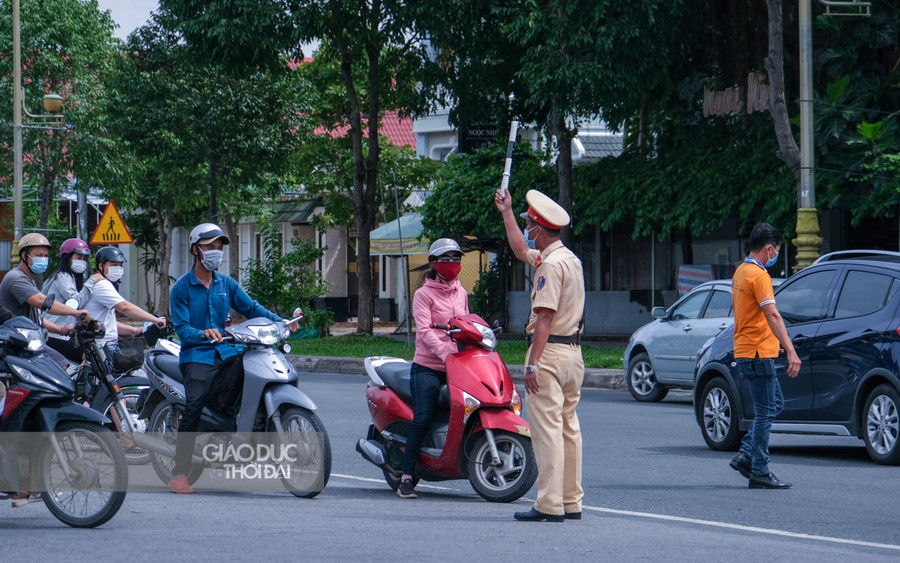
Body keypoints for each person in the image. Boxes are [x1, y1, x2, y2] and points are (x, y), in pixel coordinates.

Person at [167, 223, 298, 494]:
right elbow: (181, 329)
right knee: (194, 406)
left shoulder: (226, 283)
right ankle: (179, 471)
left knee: (255, 373)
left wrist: (282, 321)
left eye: (219, 247)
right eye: (210, 247)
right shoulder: (181, 288)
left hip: (229, 353)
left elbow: (251, 308)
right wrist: (203, 333)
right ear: (195, 249)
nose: (216, 252)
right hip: (197, 356)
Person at [495, 188, 585, 523]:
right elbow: (520, 250)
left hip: (550, 353)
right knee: (568, 429)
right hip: (573, 354)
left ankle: (549, 504)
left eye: (529, 225)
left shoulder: (550, 265)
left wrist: (532, 362)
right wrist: (506, 211)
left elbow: (544, 317)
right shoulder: (569, 259)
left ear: (539, 229)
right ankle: (571, 500)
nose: (528, 232)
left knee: (547, 432)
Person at [728, 223, 800, 489]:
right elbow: (772, 314)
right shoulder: (759, 275)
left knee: (773, 405)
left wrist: (774, 342)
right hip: (756, 353)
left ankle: (747, 454)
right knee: (766, 410)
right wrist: (791, 350)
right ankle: (759, 469)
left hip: (751, 350)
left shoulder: (740, 271)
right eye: (777, 251)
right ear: (770, 248)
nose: (776, 255)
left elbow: (752, 316)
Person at [397, 238, 469, 499]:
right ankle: (406, 476)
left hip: (456, 365)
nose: (452, 264)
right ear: (433, 263)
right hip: (427, 366)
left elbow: (467, 324)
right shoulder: (423, 294)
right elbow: (425, 331)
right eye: (446, 258)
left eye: (456, 258)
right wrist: (445, 352)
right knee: (424, 416)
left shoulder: (461, 291)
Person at [0, 233, 92, 369]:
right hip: (16, 342)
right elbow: (42, 302)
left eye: (45, 256)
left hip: (27, 339)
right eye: (39, 255)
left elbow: (36, 316)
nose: (43, 259)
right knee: (59, 365)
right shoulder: (16, 278)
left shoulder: (28, 279)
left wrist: (60, 330)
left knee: (60, 366)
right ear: (25, 256)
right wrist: (75, 313)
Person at [43, 238, 96, 364]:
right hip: (54, 334)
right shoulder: (62, 277)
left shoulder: (70, 278)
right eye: (78, 257)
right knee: (90, 354)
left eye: (84, 259)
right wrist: (92, 282)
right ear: (67, 258)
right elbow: (75, 302)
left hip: (63, 333)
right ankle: (80, 383)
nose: (82, 262)